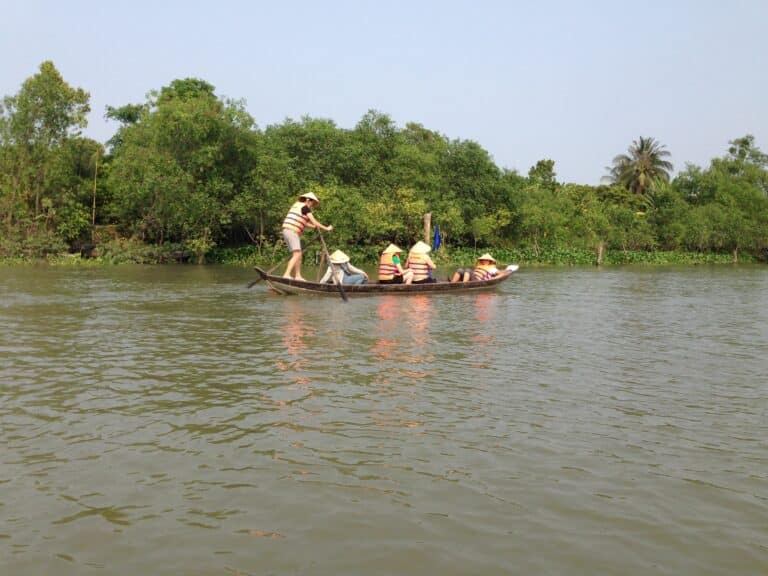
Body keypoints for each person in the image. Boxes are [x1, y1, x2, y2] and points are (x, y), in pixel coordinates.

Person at [281, 191, 333, 281]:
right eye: (312, 203)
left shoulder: (297, 205)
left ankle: (298, 276)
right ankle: (286, 274)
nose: (312, 206)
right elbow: (314, 221)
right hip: (292, 231)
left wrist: (314, 227)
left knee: (298, 254)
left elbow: (304, 221)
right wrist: (326, 228)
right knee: (297, 254)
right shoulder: (305, 207)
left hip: (287, 230)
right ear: (308, 200)